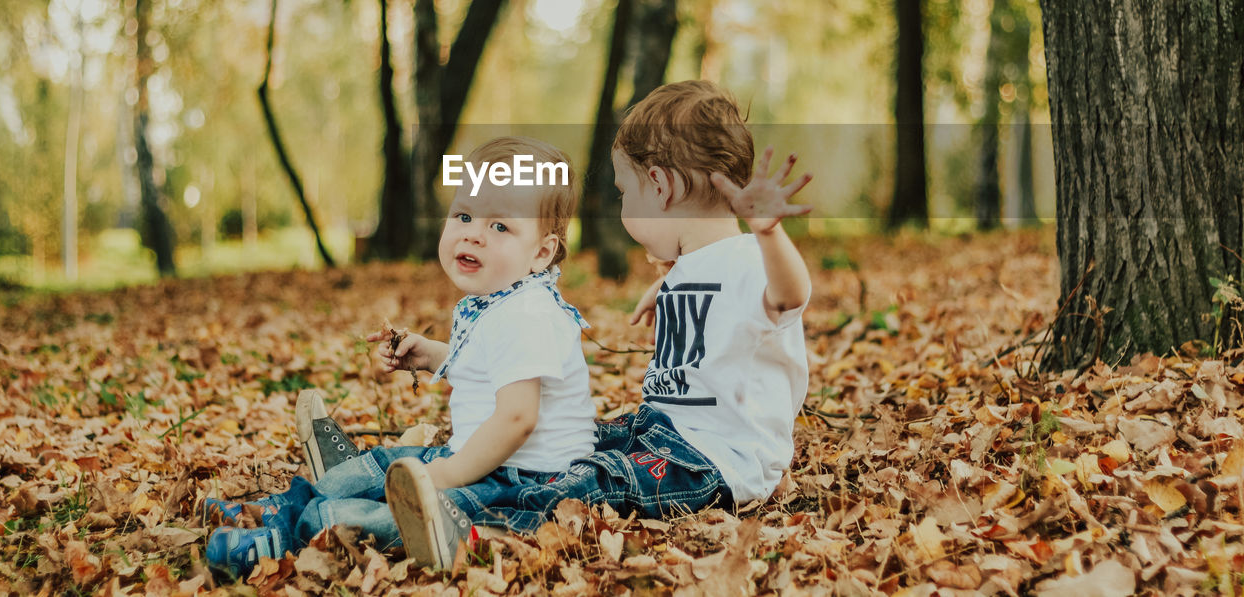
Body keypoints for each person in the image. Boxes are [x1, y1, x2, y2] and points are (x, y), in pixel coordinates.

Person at [385, 80, 814, 568]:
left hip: (707, 457)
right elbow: (716, 301)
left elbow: (789, 297)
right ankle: (429, 482)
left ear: (661, 186)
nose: (621, 206)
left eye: (624, 192)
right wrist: (668, 287)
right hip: (661, 432)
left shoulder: (753, 258)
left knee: (594, 481)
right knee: (575, 446)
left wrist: (771, 233)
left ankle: (468, 528)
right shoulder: (698, 266)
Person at [202, 136, 595, 579]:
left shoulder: (526, 313)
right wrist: (431, 356)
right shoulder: (505, 301)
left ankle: (289, 535)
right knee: (378, 467)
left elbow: (518, 418)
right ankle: (277, 510)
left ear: (541, 252)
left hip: (524, 483)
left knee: (373, 509)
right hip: (486, 463)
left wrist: (446, 474)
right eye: (464, 216)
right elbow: (489, 369)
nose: (472, 233)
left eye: (499, 227)